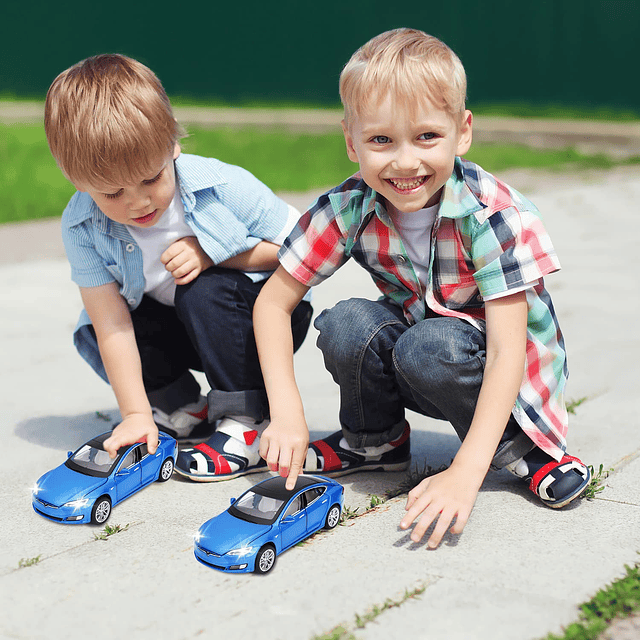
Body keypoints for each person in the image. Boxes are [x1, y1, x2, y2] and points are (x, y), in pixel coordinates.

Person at [253, 28, 591, 548]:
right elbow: (272, 303)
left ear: (463, 132)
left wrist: (464, 474)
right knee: (348, 322)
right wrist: (287, 412)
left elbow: (506, 352)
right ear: (351, 142)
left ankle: (523, 448)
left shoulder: (493, 216)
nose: (405, 162)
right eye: (381, 140)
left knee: (428, 344)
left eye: (427, 137)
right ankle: (374, 443)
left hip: (499, 374)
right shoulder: (348, 208)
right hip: (423, 355)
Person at [44, 54, 312, 479]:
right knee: (95, 328)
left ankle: (246, 420)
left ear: (172, 146)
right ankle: (184, 406)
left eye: (151, 179)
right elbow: (112, 321)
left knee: (201, 287)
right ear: (74, 178)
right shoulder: (81, 225)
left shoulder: (220, 185)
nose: (137, 202)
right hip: (188, 329)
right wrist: (133, 413)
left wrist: (213, 251)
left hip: (258, 324)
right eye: (112, 193)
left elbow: (305, 249)